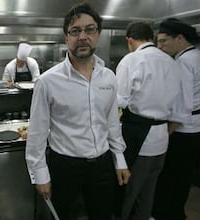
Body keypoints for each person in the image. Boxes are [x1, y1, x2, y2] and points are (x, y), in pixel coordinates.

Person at [25, 3, 131, 220]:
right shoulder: (48, 82)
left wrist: (119, 159)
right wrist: (40, 175)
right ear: (67, 38)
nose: (83, 36)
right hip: (64, 166)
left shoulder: (108, 77)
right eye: (75, 31)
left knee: (101, 214)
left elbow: (111, 122)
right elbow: (37, 132)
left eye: (89, 29)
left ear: (98, 35)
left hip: (102, 164)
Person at [115, 21, 189, 220]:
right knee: (147, 195)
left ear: (129, 40)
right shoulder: (172, 63)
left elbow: (118, 101)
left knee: (127, 194)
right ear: (152, 38)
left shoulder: (131, 60)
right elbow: (182, 110)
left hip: (138, 139)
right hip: (161, 140)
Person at [152, 18, 200, 220]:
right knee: (184, 176)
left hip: (186, 131)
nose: (160, 47)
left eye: (163, 41)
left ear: (179, 38)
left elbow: (181, 110)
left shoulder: (182, 62)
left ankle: (168, 214)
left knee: (171, 177)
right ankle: (176, 212)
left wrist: (165, 135)